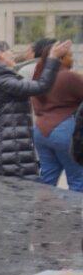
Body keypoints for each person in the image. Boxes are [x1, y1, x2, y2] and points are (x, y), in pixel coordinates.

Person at [0, 38, 70, 180]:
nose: (12, 54)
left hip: (9, 145)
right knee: (20, 193)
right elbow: (40, 87)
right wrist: (52, 58)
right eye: (10, 51)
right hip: (10, 148)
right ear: (0, 54)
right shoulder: (1, 79)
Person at [30, 38, 83, 191]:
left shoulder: (39, 76)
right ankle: (74, 214)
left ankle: (43, 214)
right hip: (65, 129)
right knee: (78, 178)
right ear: (60, 57)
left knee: (47, 178)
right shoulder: (69, 76)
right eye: (69, 55)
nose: (72, 58)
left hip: (40, 131)